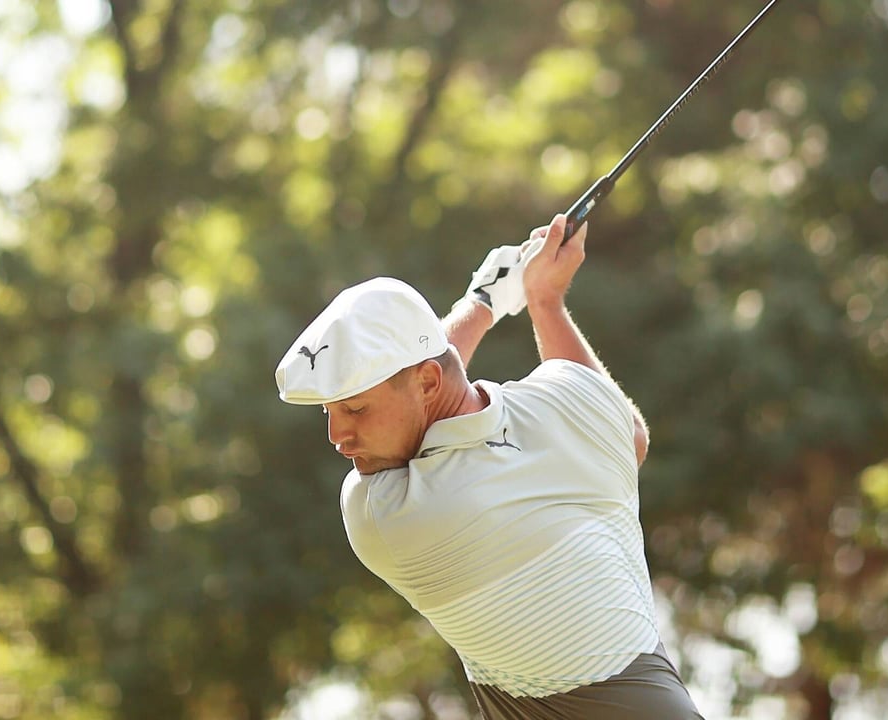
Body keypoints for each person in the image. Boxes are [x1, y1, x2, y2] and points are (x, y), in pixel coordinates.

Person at [275, 214, 704, 719]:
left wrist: (484, 301)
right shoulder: (573, 412)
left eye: (355, 409)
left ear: (429, 383)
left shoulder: (381, 515)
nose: (339, 438)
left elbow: (435, 372)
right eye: (329, 412)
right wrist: (542, 300)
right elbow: (627, 434)